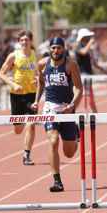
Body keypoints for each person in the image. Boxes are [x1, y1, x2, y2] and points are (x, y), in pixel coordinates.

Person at [31, 36, 83, 193]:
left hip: (66, 108)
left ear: (63, 49)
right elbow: (41, 83)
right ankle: (57, 181)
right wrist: (36, 101)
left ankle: (76, 133)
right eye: (53, 48)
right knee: (53, 141)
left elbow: (79, 88)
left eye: (59, 48)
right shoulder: (42, 64)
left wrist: (72, 105)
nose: (56, 50)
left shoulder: (70, 65)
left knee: (69, 153)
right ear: (49, 49)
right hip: (50, 108)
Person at [0, 30, 38, 166]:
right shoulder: (13, 56)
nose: (24, 42)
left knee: (31, 124)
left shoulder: (35, 55)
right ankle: (19, 125)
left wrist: (37, 79)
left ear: (31, 41)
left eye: (26, 39)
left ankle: (26, 154)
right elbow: (1, 73)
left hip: (32, 94)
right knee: (18, 129)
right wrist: (13, 84)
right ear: (19, 42)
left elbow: (39, 73)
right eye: (22, 40)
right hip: (17, 95)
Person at [75, 28, 104, 112]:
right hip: (81, 75)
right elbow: (83, 52)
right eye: (88, 36)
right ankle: (71, 112)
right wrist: (90, 43)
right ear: (83, 37)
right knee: (79, 96)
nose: (89, 38)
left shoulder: (88, 48)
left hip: (88, 75)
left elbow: (93, 61)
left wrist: (102, 69)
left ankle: (95, 113)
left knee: (90, 96)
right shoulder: (78, 46)